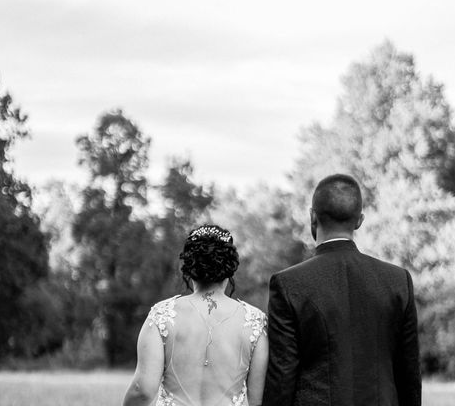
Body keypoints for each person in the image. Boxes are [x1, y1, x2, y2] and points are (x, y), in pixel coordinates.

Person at [263, 174, 421, 406]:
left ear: (312, 217)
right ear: (359, 220)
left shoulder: (288, 284)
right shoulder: (397, 281)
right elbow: (409, 374)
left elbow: (282, 379)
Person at [123, 224, 268, 406]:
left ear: (189, 267)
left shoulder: (162, 315)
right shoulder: (255, 321)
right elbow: (258, 401)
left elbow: (142, 391)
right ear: (230, 268)